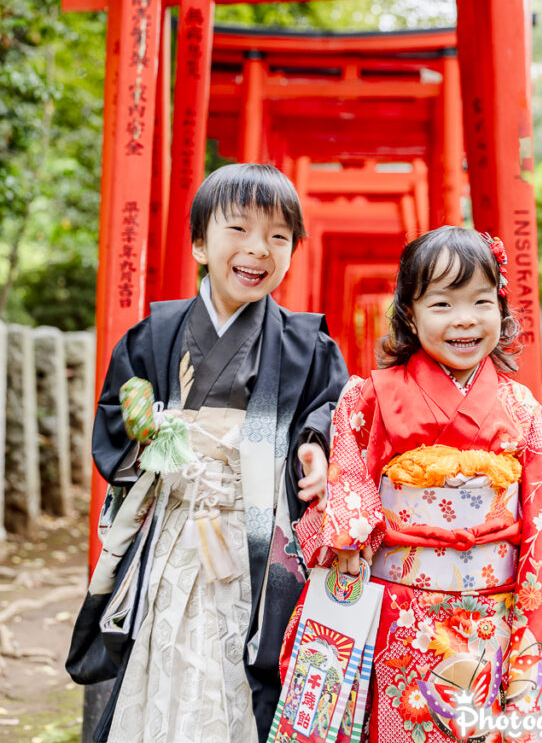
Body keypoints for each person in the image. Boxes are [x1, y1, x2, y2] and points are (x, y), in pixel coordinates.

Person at [289, 226, 542, 743]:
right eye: (442, 304)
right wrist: (349, 535)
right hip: (400, 609)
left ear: (501, 311)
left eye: (481, 302)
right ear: (409, 315)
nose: (465, 319)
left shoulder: (520, 407)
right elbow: (348, 471)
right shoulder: (371, 398)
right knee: (401, 724)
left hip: (494, 609)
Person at [90, 163, 349, 743]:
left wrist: (315, 449)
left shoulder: (307, 344)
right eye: (240, 229)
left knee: (243, 670)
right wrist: (141, 428)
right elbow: (116, 415)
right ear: (201, 244)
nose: (259, 249)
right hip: (175, 532)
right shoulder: (155, 333)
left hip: (257, 537)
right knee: (169, 660)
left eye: (279, 236)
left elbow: (332, 411)